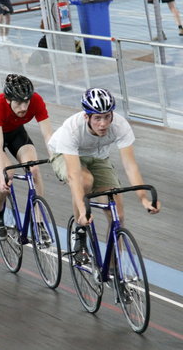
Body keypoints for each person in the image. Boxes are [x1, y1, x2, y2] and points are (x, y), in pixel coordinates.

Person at [48, 88, 161, 263]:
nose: (103, 124)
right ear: (87, 117)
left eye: (107, 116)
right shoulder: (72, 129)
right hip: (66, 155)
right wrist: (83, 208)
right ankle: (79, 233)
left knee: (117, 214)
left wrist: (143, 199)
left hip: (99, 158)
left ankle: (114, 268)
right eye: (97, 118)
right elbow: (74, 173)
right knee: (85, 180)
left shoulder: (120, 125)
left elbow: (130, 166)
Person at [0, 74, 53, 240]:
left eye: (26, 102)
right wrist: (1, 175)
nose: (23, 107)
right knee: (7, 174)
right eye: (18, 102)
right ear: (8, 100)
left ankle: (39, 223)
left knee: (34, 170)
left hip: (16, 133)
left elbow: (48, 134)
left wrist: (56, 160)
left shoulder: (37, 101)